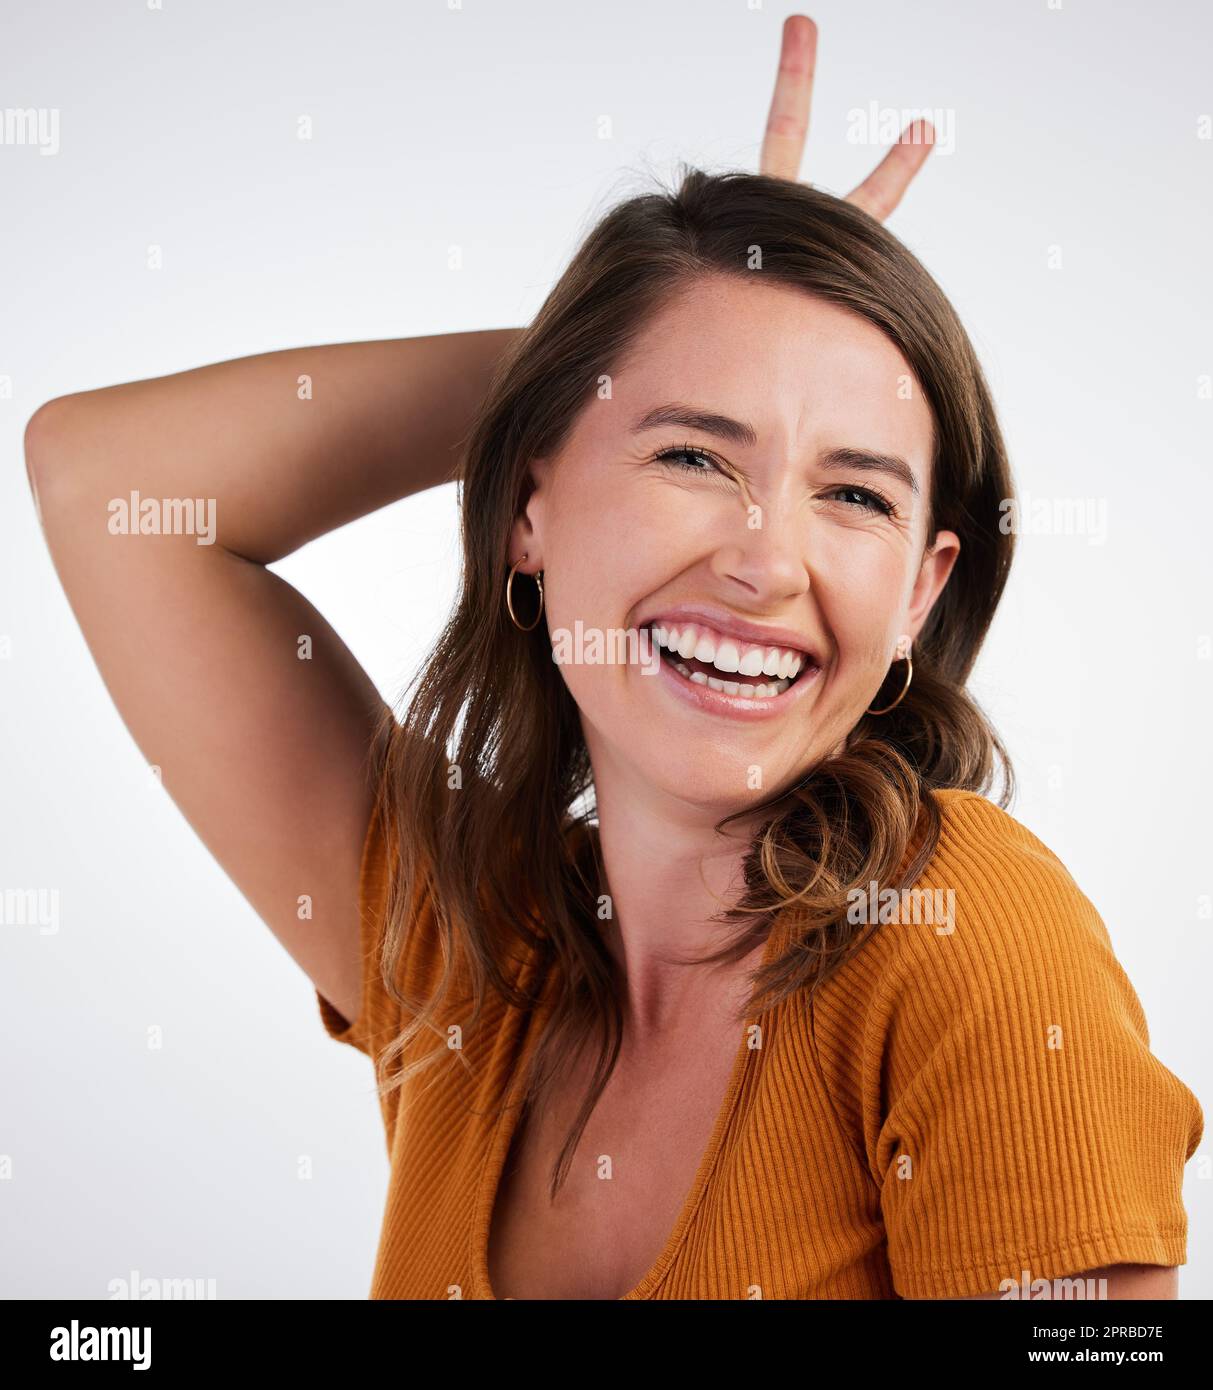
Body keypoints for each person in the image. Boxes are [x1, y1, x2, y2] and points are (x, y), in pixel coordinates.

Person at [24, 16, 1201, 1300]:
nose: (767, 562)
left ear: (922, 592)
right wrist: (629, 341)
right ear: (528, 512)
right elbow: (107, 484)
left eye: (855, 495)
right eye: (693, 455)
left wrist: (706, 348)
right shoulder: (466, 947)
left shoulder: (963, 933)